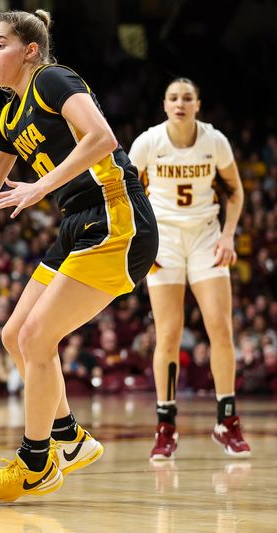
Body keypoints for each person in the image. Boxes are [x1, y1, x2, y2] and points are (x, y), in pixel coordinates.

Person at [0, 9, 158, 503]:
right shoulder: (6, 117)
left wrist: (42, 185)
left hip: (115, 214)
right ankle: (69, 437)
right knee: (13, 337)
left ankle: (37, 461)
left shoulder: (52, 79)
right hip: (76, 222)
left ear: (30, 50)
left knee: (38, 336)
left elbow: (102, 138)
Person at [128, 78, 250, 460]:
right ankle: (166, 426)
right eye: (173, 98)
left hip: (205, 239)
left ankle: (226, 421)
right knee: (168, 334)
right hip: (163, 241)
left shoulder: (215, 141)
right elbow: (124, 193)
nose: (180, 103)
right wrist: (144, 242)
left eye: (187, 98)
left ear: (198, 104)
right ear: (164, 105)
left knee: (220, 328)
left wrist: (228, 236)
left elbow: (235, 191)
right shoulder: (148, 142)